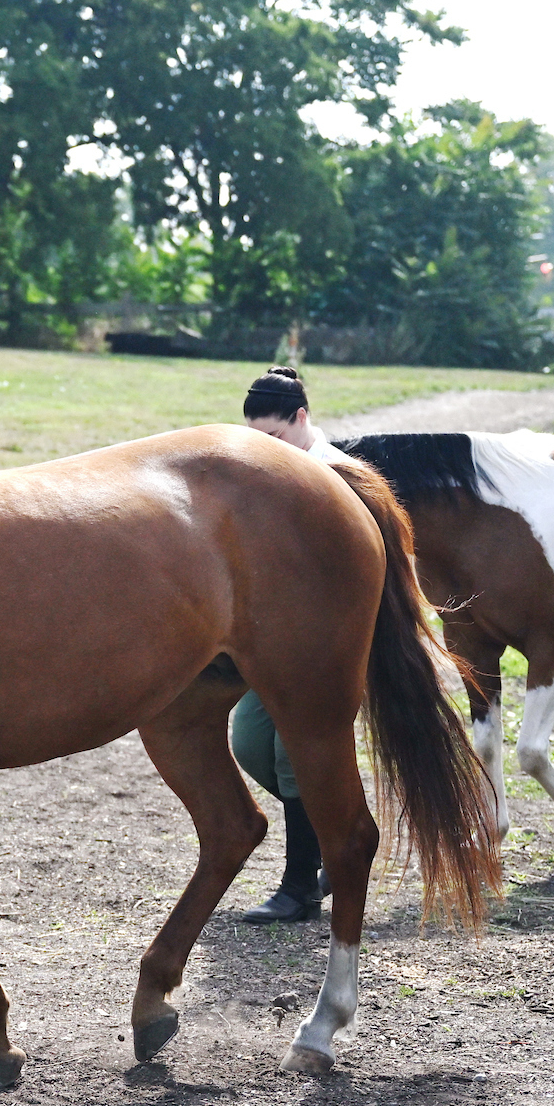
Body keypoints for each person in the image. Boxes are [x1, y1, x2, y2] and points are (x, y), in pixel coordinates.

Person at [235, 366, 334, 924]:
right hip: (272, 644)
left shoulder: (331, 473)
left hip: (322, 644)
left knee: (292, 757)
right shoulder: (272, 475)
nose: (262, 452)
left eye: (271, 439)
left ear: (300, 419)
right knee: (249, 742)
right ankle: (334, 824)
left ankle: (299, 887)